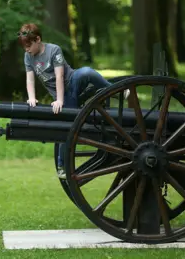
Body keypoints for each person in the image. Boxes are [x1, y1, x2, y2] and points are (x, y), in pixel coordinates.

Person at [18, 23, 130, 179]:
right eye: (24, 47)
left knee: (86, 72)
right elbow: (29, 79)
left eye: (29, 45)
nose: (27, 49)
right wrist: (31, 97)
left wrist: (59, 101)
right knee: (67, 127)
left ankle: (116, 91)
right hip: (62, 95)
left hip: (72, 83)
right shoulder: (28, 56)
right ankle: (61, 166)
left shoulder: (53, 50)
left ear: (38, 39)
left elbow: (59, 77)